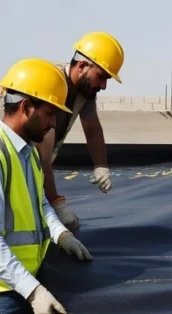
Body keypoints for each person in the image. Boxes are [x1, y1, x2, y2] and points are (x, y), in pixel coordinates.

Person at [0, 58, 94, 314]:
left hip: (14, 284)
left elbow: (39, 203)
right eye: (50, 113)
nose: (53, 124)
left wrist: (61, 235)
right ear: (27, 107)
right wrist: (33, 290)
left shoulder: (27, 153)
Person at [37, 32, 125, 230]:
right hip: (25, 168)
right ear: (83, 66)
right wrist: (56, 203)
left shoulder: (86, 92)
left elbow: (92, 128)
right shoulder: (51, 82)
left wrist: (101, 165)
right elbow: (41, 153)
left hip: (39, 169)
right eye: (101, 77)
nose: (103, 86)